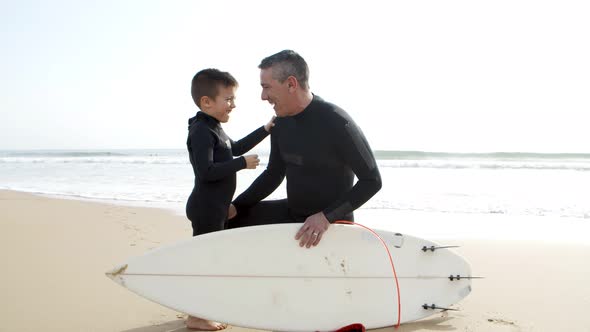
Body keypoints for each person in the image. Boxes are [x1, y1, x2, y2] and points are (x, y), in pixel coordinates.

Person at [228, 50, 382, 249]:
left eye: (267, 87)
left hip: (332, 225)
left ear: (291, 84)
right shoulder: (281, 123)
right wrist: (237, 206)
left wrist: (326, 217)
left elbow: (372, 181)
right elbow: (273, 175)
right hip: (293, 213)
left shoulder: (336, 121)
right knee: (230, 220)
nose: (263, 96)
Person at [185, 68, 274, 330]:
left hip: (215, 208)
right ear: (206, 102)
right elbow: (207, 171)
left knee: (212, 260)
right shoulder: (201, 131)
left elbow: (234, 148)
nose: (233, 105)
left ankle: (200, 311)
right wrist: (241, 164)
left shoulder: (215, 128)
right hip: (206, 208)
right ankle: (197, 316)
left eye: (234, 99)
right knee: (206, 263)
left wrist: (266, 129)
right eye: (228, 99)